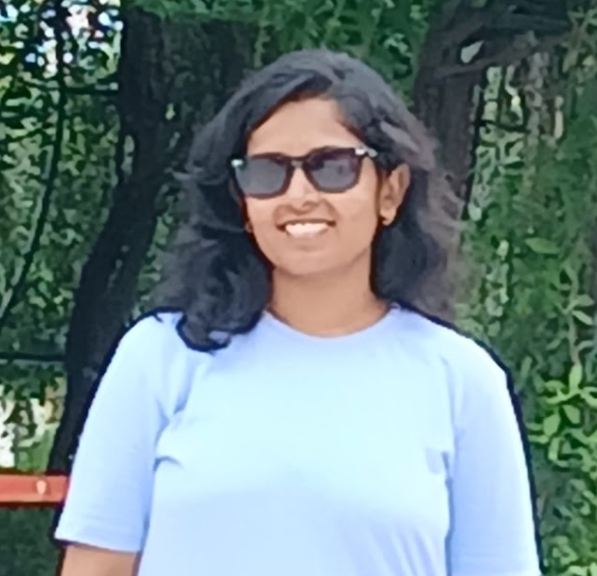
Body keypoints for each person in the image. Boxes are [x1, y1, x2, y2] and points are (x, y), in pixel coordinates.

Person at [54, 49, 542, 576]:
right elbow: (96, 567)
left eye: (332, 167)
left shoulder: (463, 382)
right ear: (241, 201)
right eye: (267, 172)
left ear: (391, 190)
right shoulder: (161, 358)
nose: (299, 195)